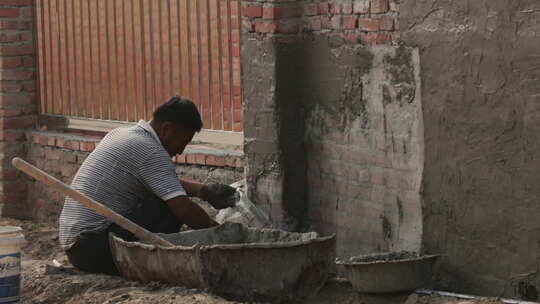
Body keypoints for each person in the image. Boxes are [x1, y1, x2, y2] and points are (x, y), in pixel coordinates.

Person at [58, 96, 237, 275]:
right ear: (167, 129)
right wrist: (220, 235)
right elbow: (184, 210)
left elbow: (159, 181)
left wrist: (202, 190)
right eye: (183, 142)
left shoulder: (123, 134)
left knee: (163, 198)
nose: (181, 151)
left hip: (77, 247)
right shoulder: (151, 152)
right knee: (169, 210)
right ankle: (146, 266)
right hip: (93, 250)